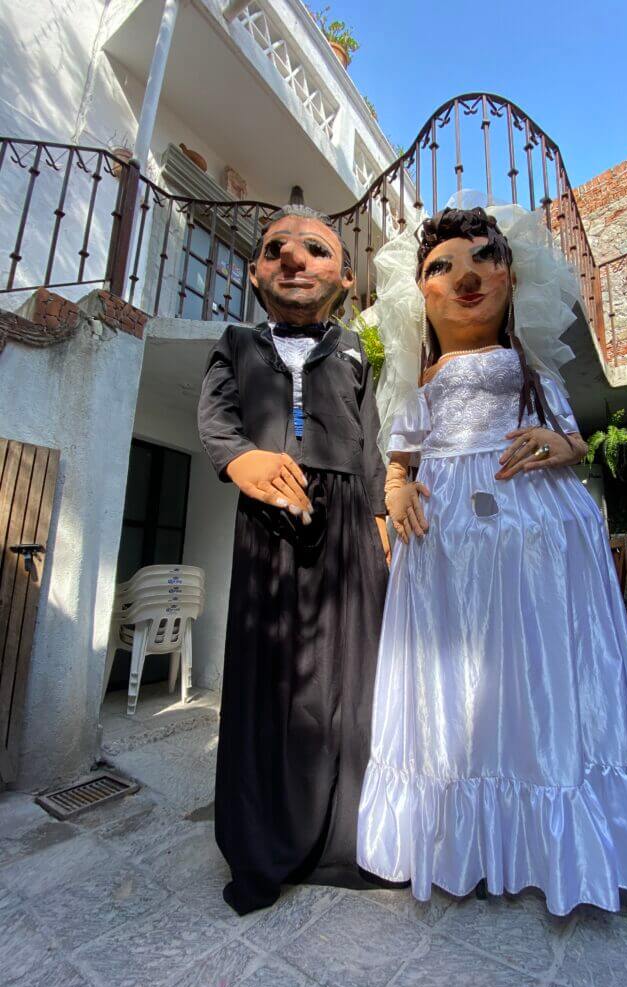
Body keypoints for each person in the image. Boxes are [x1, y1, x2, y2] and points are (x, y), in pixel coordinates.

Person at [356, 196, 627, 915]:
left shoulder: (528, 370)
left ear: (513, 277)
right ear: (420, 293)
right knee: (464, 681)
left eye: (487, 256)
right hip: (448, 540)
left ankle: (579, 833)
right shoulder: (422, 379)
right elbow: (401, 454)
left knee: (540, 671)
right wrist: (396, 488)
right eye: (442, 266)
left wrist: (565, 446)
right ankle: (467, 838)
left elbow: (573, 436)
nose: (467, 275)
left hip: (539, 531)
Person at [198, 204, 390, 915]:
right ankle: (260, 840)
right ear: (254, 273)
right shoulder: (235, 341)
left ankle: (346, 835)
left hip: (347, 531)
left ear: (343, 276)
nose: (295, 258)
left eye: (315, 249)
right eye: (276, 248)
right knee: (264, 680)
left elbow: (370, 440)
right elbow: (216, 416)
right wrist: (239, 456)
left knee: (351, 680)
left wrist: (379, 516)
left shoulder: (353, 350)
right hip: (267, 522)